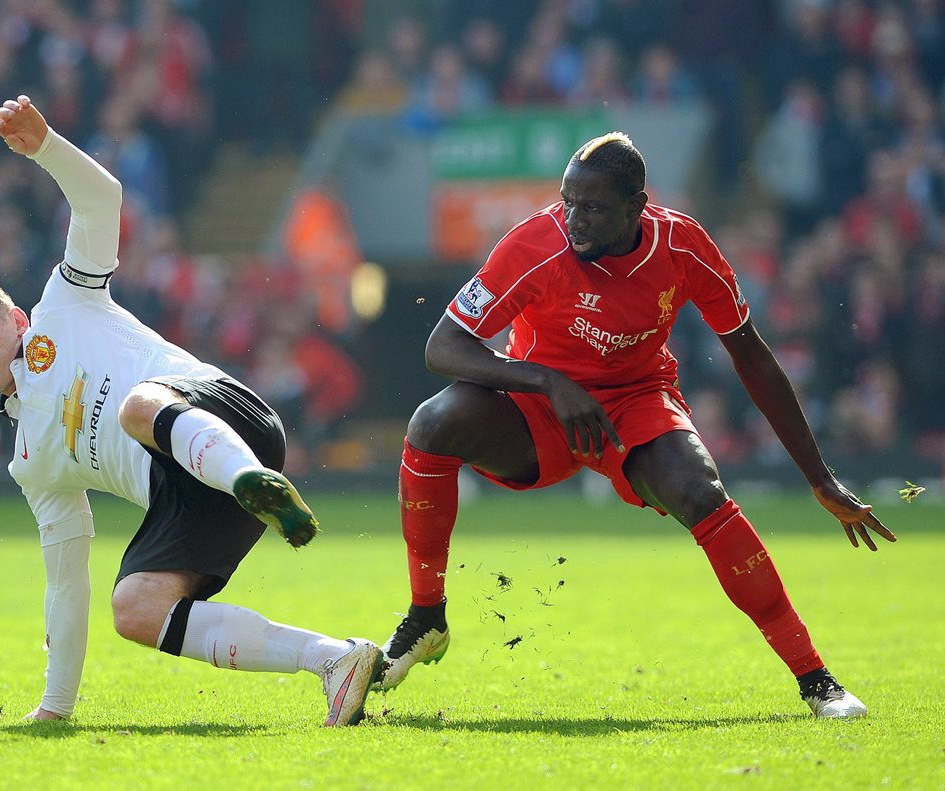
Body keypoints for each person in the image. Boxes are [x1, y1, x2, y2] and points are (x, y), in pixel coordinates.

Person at [375, 132, 897, 718]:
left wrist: (818, 477)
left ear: (637, 206)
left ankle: (816, 680)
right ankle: (426, 617)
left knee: (701, 492)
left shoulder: (685, 245)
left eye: (593, 207)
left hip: (636, 402)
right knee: (433, 423)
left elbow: (748, 352)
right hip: (539, 406)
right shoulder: (534, 244)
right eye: (568, 201)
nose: (574, 219)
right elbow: (442, 346)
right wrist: (549, 382)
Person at [0, 95, 382, 726]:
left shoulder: (65, 302)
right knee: (135, 609)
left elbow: (101, 201)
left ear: (15, 319)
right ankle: (335, 661)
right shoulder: (30, 463)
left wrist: (47, 147)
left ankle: (252, 480)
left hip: (226, 418)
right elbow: (65, 584)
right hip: (186, 495)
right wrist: (54, 709)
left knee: (136, 407)